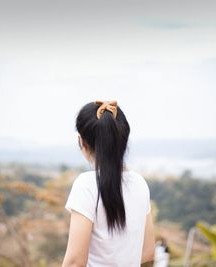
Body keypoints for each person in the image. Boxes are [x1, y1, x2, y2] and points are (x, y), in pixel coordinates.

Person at [62, 100, 155, 267]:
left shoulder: (86, 185)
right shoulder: (140, 184)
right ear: (123, 141)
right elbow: (148, 252)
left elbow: (75, 263)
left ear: (82, 142)